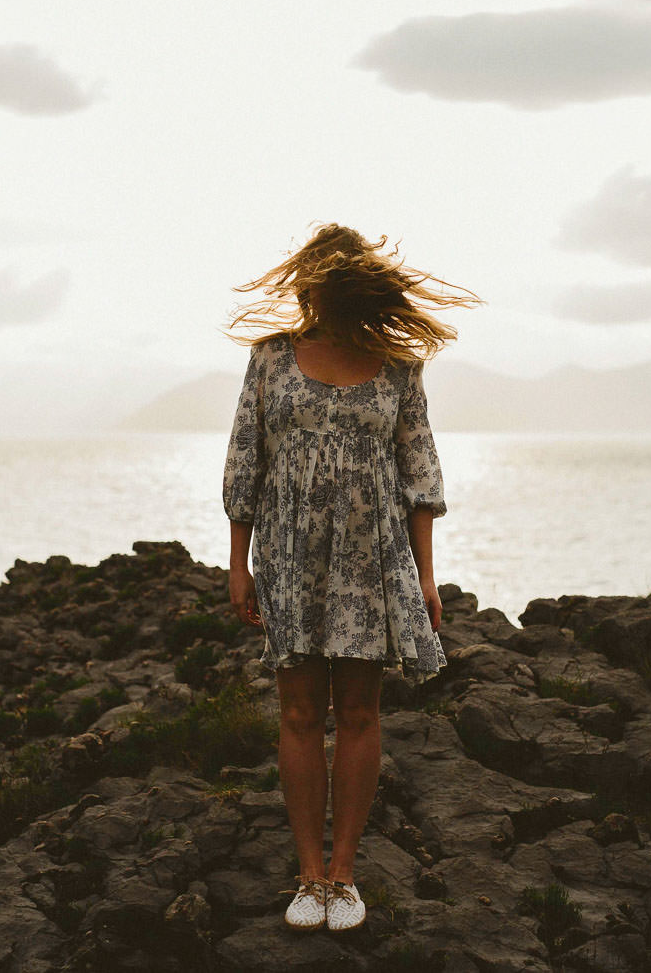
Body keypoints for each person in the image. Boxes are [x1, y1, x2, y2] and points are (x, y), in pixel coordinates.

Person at [221, 223, 484, 932]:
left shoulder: (399, 369)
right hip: (291, 557)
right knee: (302, 713)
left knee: (361, 712)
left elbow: (420, 476)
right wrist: (238, 561)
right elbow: (246, 459)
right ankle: (308, 876)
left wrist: (426, 580)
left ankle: (345, 874)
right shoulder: (271, 359)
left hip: (372, 560)